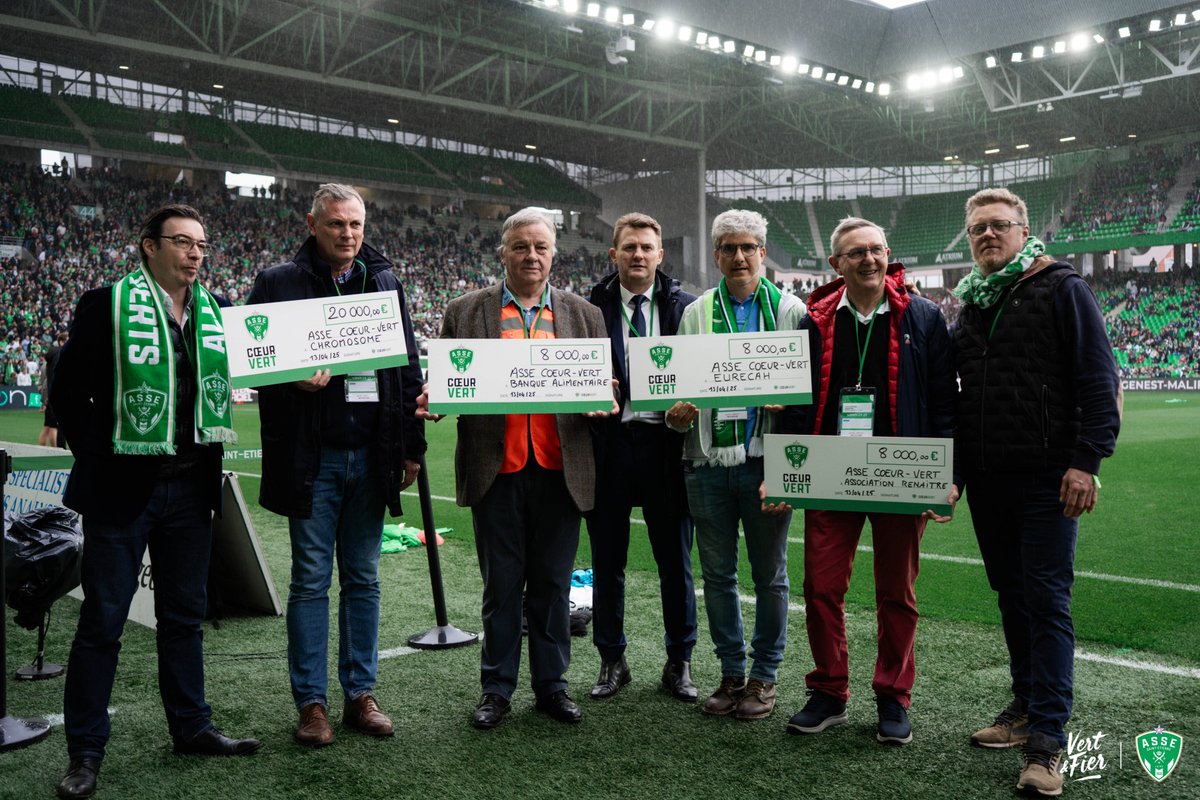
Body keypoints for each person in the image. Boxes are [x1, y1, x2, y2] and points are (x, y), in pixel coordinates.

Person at [51, 204, 258, 800]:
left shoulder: (210, 314)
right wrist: (107, 452)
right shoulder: (107, 305)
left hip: (192, 488)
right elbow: (67, 393)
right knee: (103, 622)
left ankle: (191, 727)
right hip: (125, 491)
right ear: (149, 246)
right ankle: (85, 753)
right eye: (183, 242)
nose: (196, 253)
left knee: (185, 617)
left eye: (201, 245)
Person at [953, 188, 1119, 797]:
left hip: (1049, 480)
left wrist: (1086, 463)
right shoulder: (970, 304)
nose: (988, 236)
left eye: (999, 226)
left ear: (1024, 231)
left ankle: (1050, 741)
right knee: (1012, 596)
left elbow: (1099, 381)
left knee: (1047, 600)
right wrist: (957, 474)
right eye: (977, 230)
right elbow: (964, 401)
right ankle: (1024, 708)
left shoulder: (1062, 288)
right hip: (989, 482)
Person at [247, 184, 426, 747]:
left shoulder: (385, 281)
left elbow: (406, 367)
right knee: (309, 582)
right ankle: (312, 704)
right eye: (335, 225)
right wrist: (287, 375)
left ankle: (360, 695)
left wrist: (412, 445)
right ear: (312, 224)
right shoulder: (277, 282)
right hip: (312, 457)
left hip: (372, 454)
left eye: (354, 225)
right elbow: (250, 360)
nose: (346, 234)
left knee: (365, 578)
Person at [423, 207, 609, 729]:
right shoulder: (464, 311)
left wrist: (603, 397)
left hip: (560, 469)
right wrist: (437, 399)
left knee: (552, 585)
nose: (531, 255)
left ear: (554, 253)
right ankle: (496, 689)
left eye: (540, 247)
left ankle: (552, 686)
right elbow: (449, 385)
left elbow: (600, 384)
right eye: (520, 246)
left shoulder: (584, 314)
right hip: (496, 468)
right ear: (502, 252)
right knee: (501, 587)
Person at [775, 217, 955, 745]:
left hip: (901, 473)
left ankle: (893, 697)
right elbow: (794, 402)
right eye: (856, 253)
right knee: (821, 587)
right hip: (831, 472)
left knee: (896, 592)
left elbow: (945, 402)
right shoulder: (813, 322)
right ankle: (829, 691)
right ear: (837, 264)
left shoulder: (921, 316)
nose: (869, 260)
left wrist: (951, 477)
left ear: (888, 255)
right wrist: (780, 477)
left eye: (876, 250)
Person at [664, 209, 804, 721]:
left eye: (749, 247)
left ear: (762, 253)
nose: (740, 256)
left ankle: (764, 677)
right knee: (717, 575)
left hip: (767, 462)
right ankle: (730, 673)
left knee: (770, 577)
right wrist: (676, 416)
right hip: (706, 463)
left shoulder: (791, 311)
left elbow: (807, 398)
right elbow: (676, 392)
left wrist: (789, 407)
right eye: (729, 248)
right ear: (717, 255)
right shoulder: (696, 312)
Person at [585, 213, 699, 702]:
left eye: (646, 247)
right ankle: (612, 660)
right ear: (613, 255)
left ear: (660, 254)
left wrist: (688, 406)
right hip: (608, 446)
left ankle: (680, 662)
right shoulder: (589, 305)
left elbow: (703, 373)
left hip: (666, 448)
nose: (638, 255)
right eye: (628, 247)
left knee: (676, 561)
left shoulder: (686, 308)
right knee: (607, 561)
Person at [39, 331, 67, 447]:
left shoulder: (49, 360)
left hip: (49, 397)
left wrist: (44, 400)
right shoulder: (58, 357)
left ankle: (41, 449)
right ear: (61, 342)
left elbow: (45, 382)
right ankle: (56, 451)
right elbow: (48, 382)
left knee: (46, 427)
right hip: (54, 397)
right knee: (54, 427)